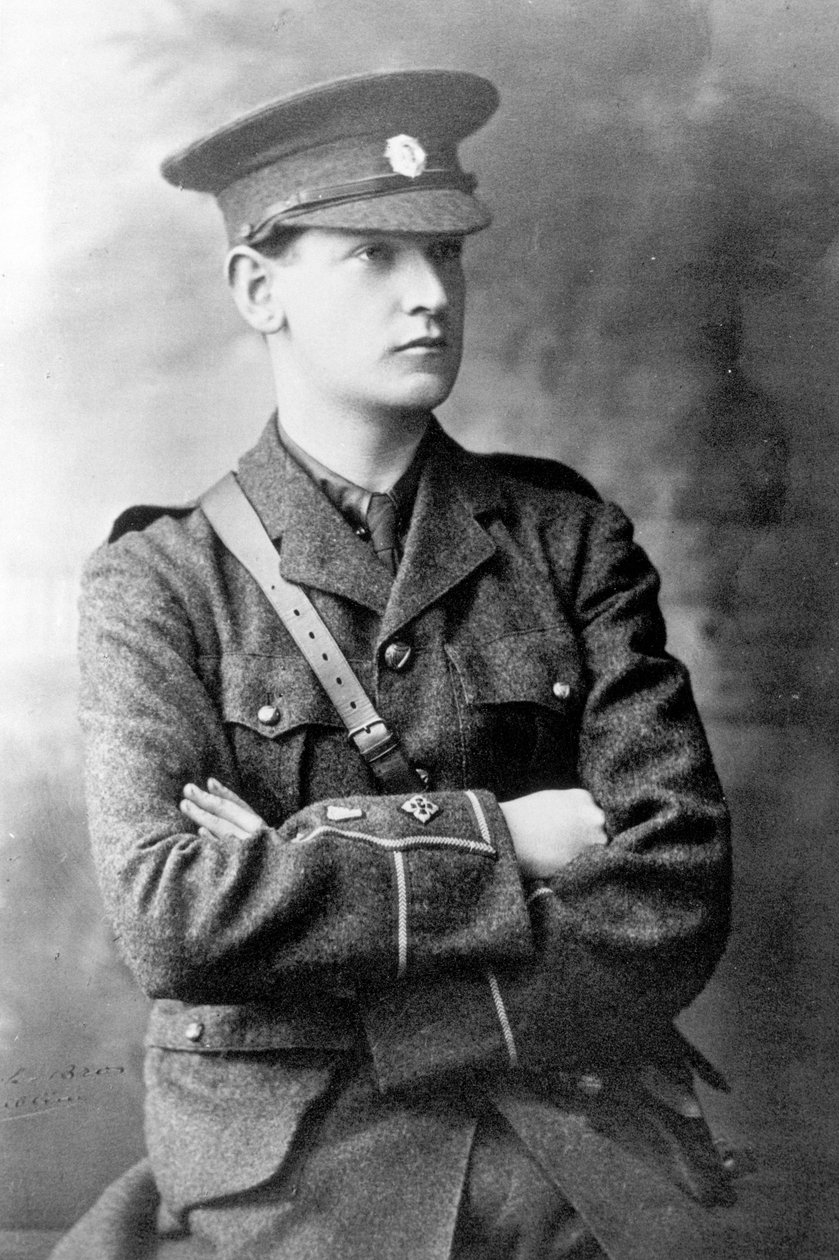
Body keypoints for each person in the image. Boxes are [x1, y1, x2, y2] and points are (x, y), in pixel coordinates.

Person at [54, 69, 735, 1260]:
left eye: (447, 256)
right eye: (371, 255)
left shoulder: (567, 543)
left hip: (566, 1142)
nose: (429, 294)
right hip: (289, 1175)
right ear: (258, 290)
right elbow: (171, 917)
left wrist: (303, 884)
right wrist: (507, 844)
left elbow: (672, 884)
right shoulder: (158, 584)